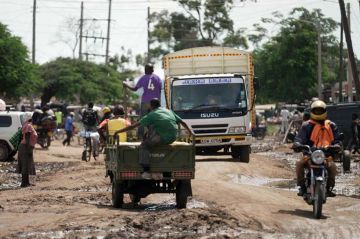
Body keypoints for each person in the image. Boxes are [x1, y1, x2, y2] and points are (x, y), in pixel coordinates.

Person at [114, 98, 192, 179]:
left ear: (151, 106)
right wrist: (190, 132)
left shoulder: (152, 114)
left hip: (162, 138)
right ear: (159, 105)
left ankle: (146, 171)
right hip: (173, 137)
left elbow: (133, 126)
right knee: (155, 131)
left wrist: (118, 132)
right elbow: (183, 122)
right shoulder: (169, 111)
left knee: (144, 146)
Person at [292, 100, 341, 197]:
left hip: (326, 155)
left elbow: (337, 140)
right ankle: (302, 187)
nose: (318, 113)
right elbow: (299, 138)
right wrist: (297, 144)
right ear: (312, 111)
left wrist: (336, 145)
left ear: (325, 111)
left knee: (333, 168)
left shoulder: (331, 125)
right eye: (316, 111)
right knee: (299, 165)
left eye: (320, 111)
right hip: (310, 154)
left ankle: (329, 188)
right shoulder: (306, 125)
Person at [123, 63, 161, 139]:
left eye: (145, 69)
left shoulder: (143, 78)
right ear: (152, 70)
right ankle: (153, 135)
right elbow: (159, 90)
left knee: (142, 119)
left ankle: (140, 136)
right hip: (155, 103)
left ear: (147, 70)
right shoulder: (158, 78)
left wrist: (126, 84)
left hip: (145, 101)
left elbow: (135, 89)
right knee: (154, 119)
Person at [16, 113, 38, 187]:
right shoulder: (28, 125)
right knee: (25, 165)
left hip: (25, 146)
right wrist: (29, 148)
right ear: (29, 118)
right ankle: (24, 183)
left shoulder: (26, 124)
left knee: (27, 164)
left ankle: (26, 182)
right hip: (25, 147)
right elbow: (28, 137)